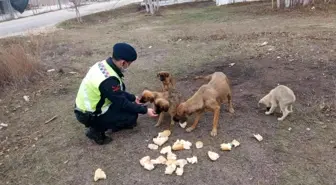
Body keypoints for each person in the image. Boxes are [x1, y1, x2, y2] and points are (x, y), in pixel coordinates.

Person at [74, 42, 158, 145]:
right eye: (129, 63)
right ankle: (95, 131)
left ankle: (104, 122)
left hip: (88, 106)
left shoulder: (103, 65)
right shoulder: (108, 80)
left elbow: (117, 92)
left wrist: (132, 98)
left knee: (130, 108)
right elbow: (122, 102)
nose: (129, 66)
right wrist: (145, 110)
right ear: (123, 63)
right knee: (131, 118)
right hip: (90, 114)